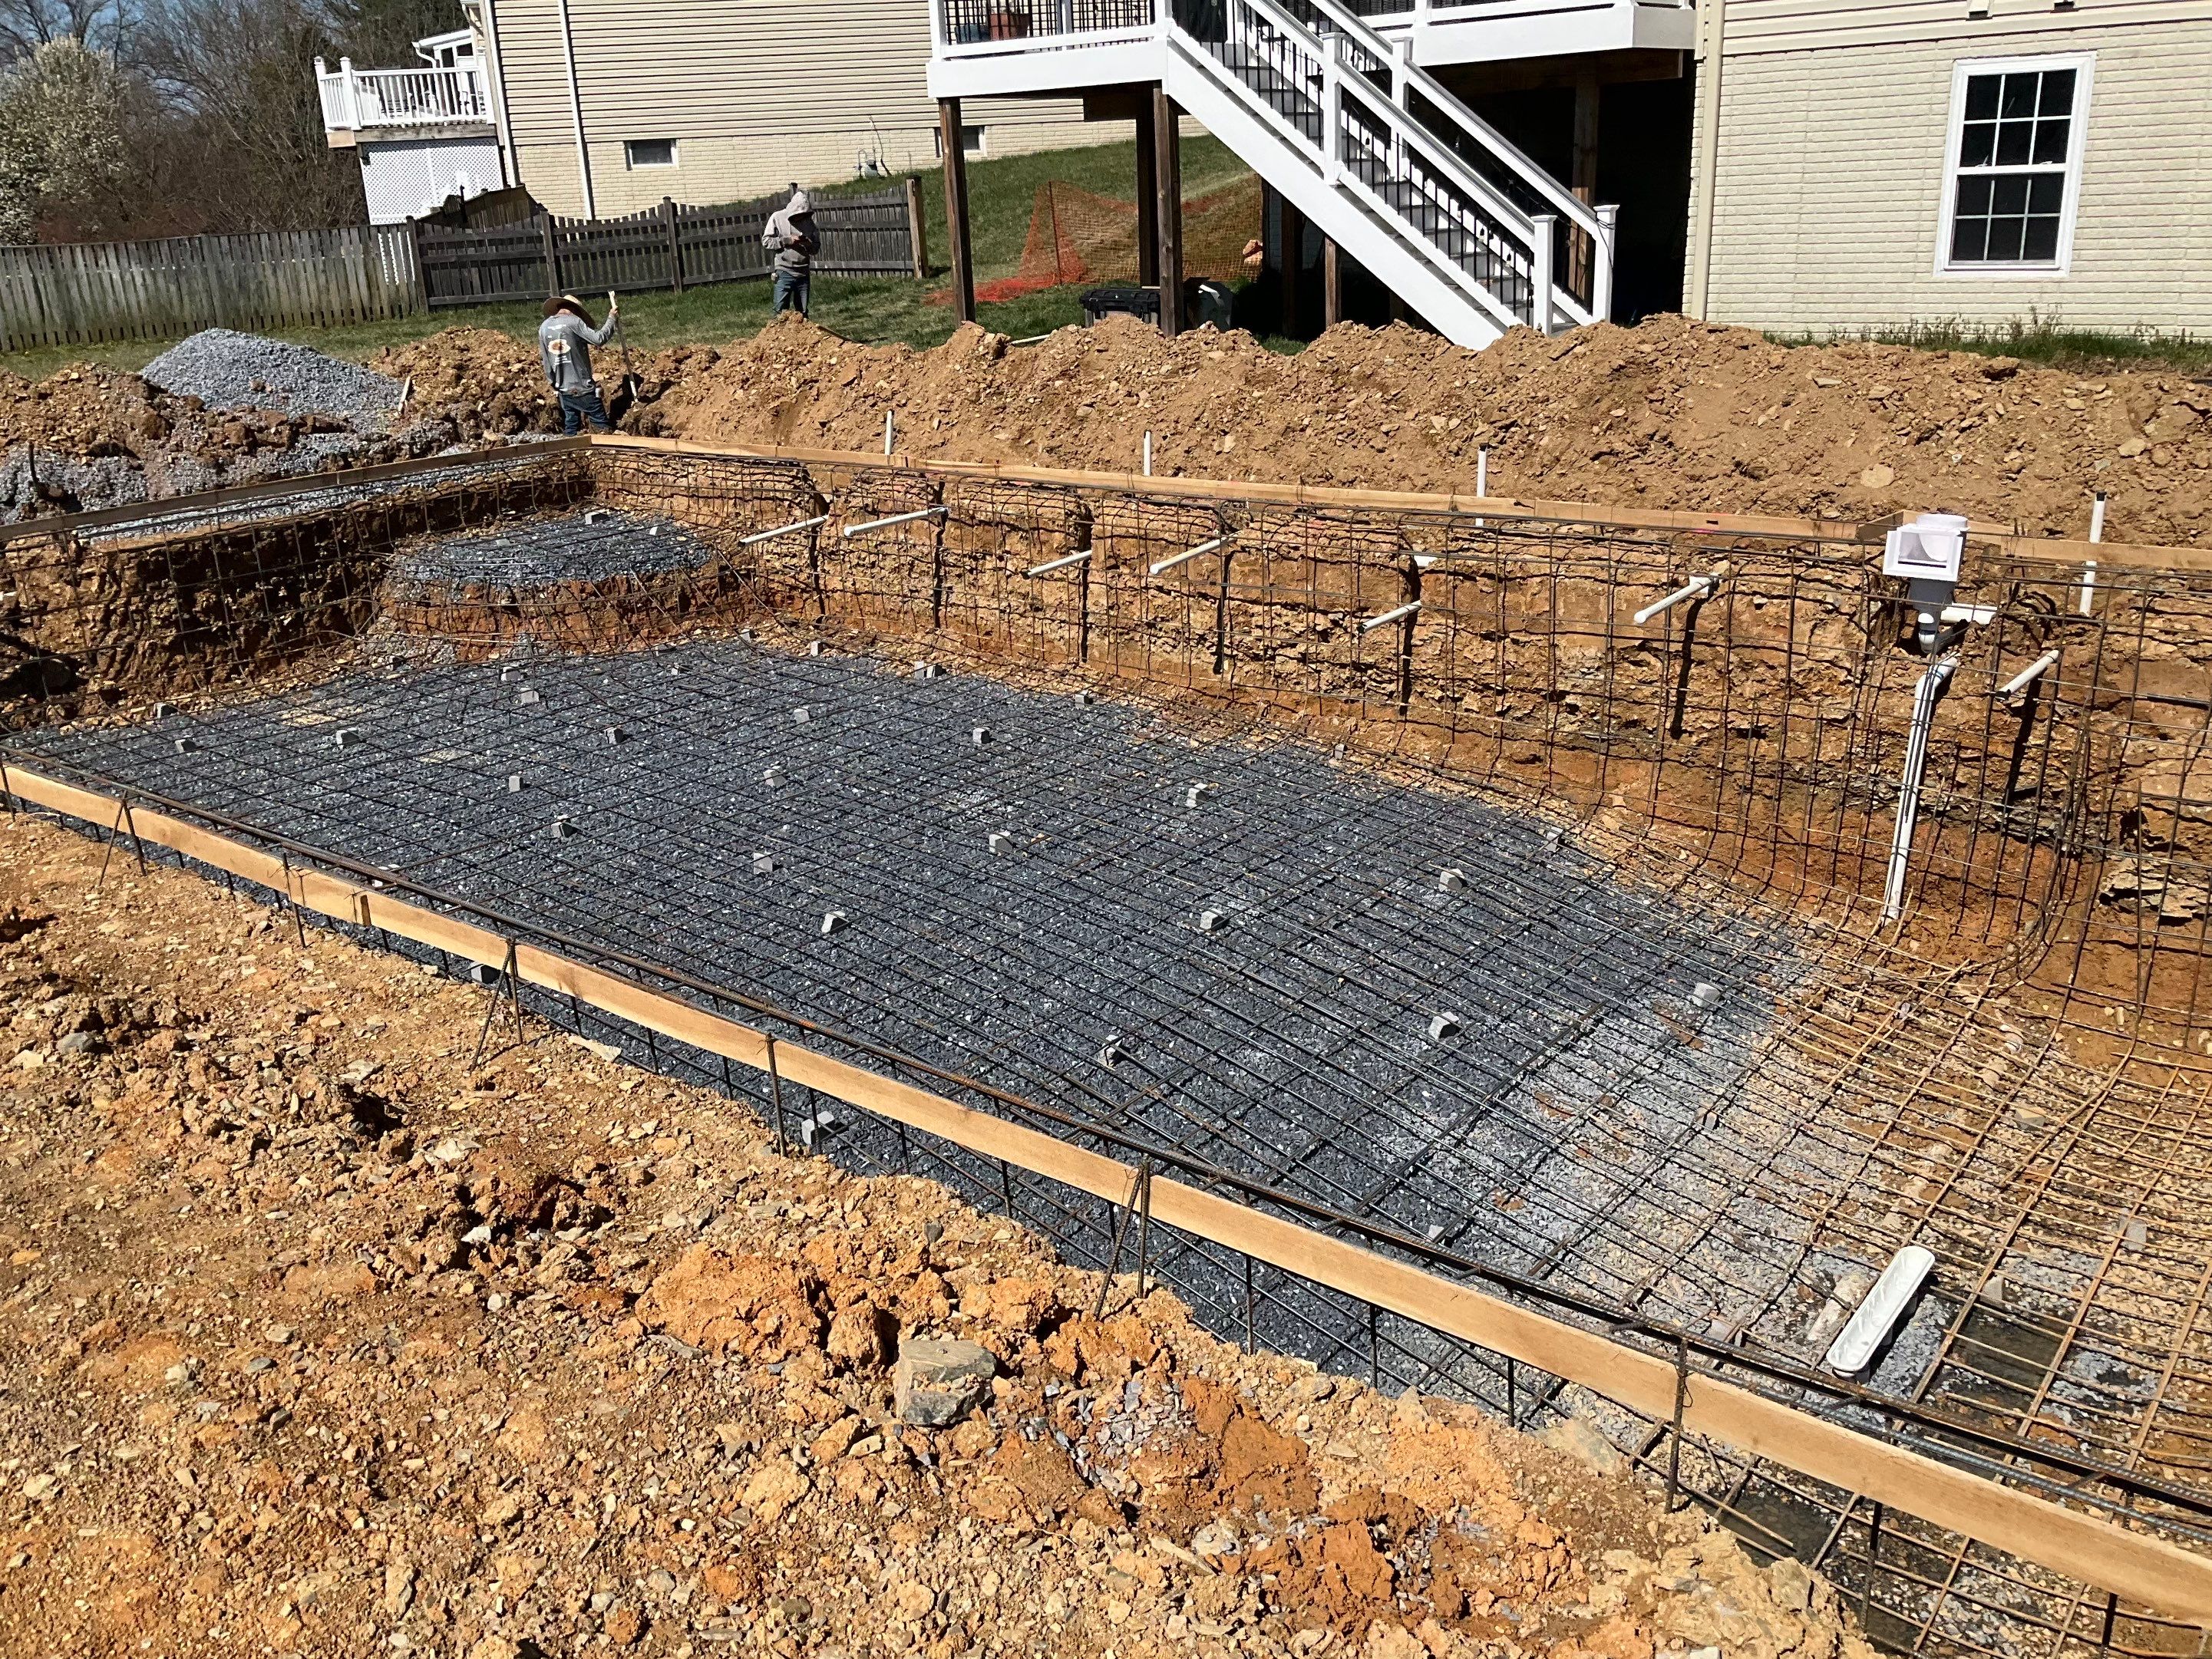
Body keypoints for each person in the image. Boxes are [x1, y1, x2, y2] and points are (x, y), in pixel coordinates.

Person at [538, 294, 619, 434]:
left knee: (571, 426)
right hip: (582, 387)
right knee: (602, 426)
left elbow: (546, 361)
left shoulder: (544, 327)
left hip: (564, 389)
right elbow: (599, 339)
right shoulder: (573, 322)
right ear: (574, 310)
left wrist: (554, 383)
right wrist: (611, 318)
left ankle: (569, 453)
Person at [763, 186, 819, 317]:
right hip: (784, 270)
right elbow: (766, 241)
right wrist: (787, 240)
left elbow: (816, 248)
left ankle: (803, 337)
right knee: (780, 312)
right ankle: (777, 336)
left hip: (803, 272)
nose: (801, 218)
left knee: (802, 313)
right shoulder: (777, 217)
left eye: (803, 215)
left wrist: (807, 243)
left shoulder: (810, 222)